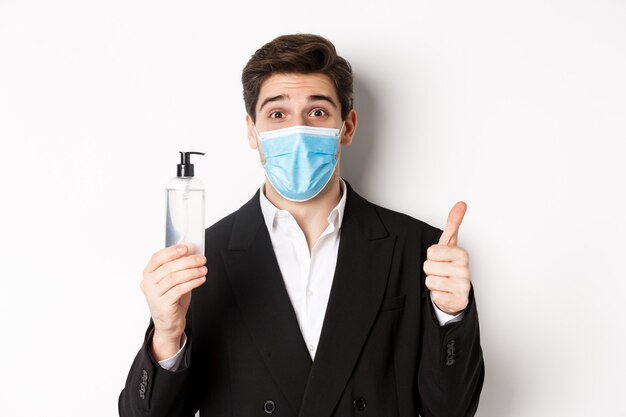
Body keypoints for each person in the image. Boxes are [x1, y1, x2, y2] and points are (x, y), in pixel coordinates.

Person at [119, 33, 484, 417]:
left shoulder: (420, 251)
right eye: (277, 114)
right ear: (251, 131)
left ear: (347, 127)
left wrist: (451, 315)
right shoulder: (202, 258)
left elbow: (452, 411)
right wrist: (167, 334)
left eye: (317, 112)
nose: (298, 130)